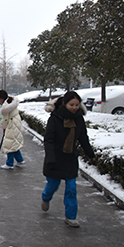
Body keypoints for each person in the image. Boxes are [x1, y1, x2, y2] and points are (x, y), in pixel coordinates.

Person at [41, 91, 95, 228]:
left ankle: (71, 217)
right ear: (64, 103)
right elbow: (49, 140)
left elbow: (83, 136)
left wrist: (89, 152)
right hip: (55, 158)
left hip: (70, 158)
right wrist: (50, 157)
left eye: (77, 105)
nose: (75, 107)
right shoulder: (55, 118)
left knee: (71, 188)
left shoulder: (79, 119)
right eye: (72, 104)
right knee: (52, 186)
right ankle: (45, 197)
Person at [0, 90, 25, 170]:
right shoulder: (11, 102)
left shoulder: (5, 106)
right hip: (16, 123)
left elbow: (4, 119)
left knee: (9, 143)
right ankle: (20, 160)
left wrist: (4, 127)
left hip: (12, 124)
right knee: (14, 143)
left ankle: (9, 163)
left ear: (0, 98)